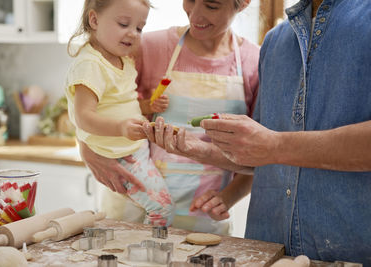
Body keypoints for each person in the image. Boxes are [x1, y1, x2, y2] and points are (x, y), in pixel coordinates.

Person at [148, 0, 371, 265]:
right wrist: (202, 150)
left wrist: (273, 145)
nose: (196, 13)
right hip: (264, 252)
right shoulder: (276, 42)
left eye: (210, 5)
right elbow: (263, 156)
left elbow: (271, 147)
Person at [79, 0, 259, 234]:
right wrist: (86, 148)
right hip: (131, 214)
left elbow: (261, 156)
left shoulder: (254, 61)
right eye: (190, 0)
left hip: (202, 222)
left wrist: (230, 196)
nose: (195, 15)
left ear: (242, 4)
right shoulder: (146, 46)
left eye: (211, 6)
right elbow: (93, 100)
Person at [64, 0, 175, 226]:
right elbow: (83, 117)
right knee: (161, 209)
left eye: (139, 28)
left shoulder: (123, 59)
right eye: (124, 24)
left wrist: (147, 107)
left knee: (131, 220)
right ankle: (149, 259)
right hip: (121, 157)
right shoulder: (90, 64)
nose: (133, 34)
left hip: (134, 151)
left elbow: (120, 102)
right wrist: (121, 128)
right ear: (94, 20)